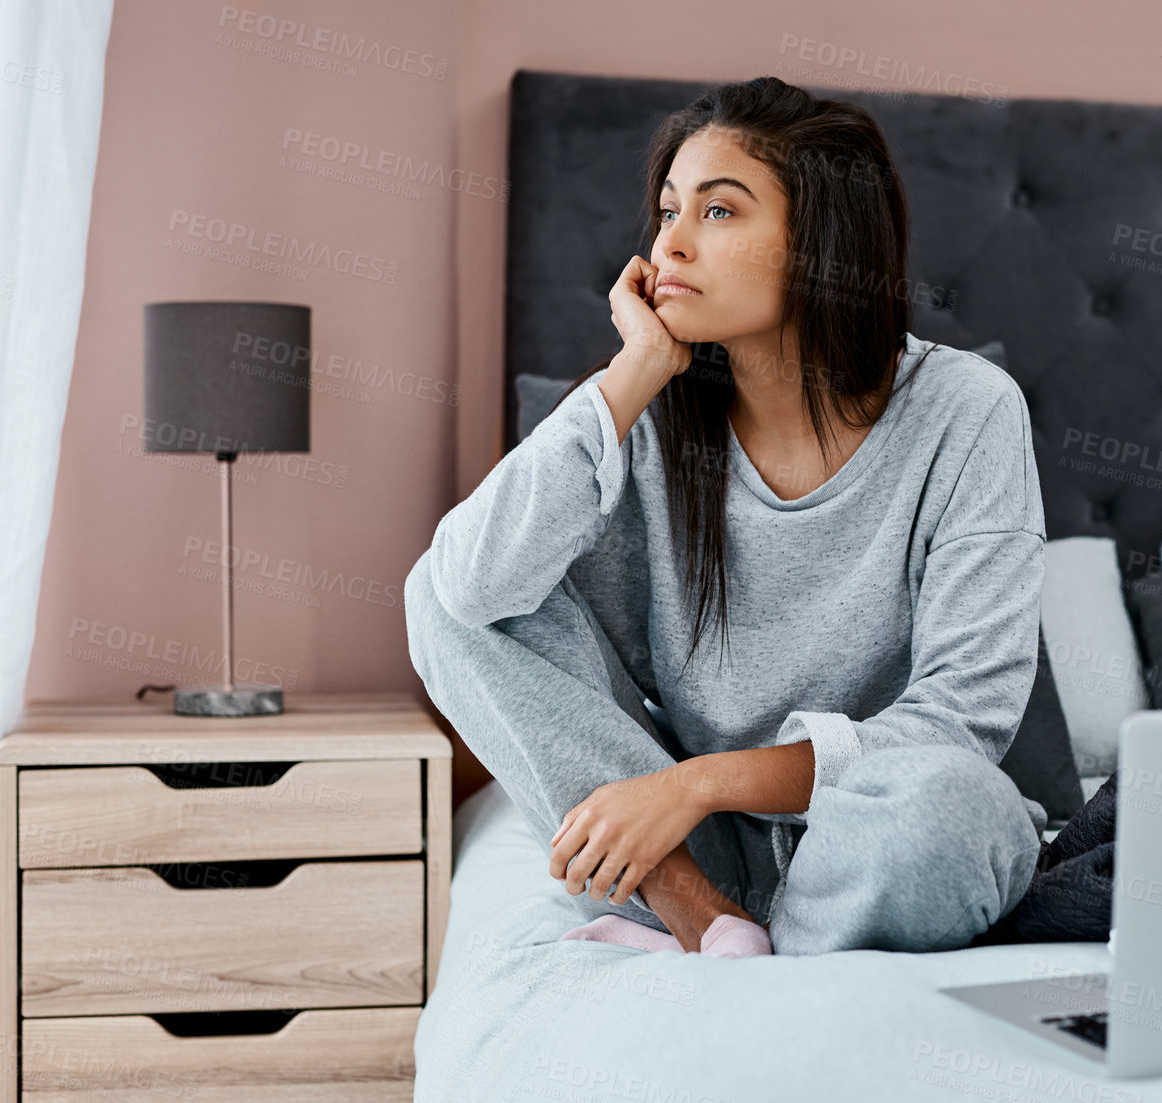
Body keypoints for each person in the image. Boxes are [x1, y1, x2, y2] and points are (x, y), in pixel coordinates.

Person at [405, 76, 1047, 958]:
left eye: (717, 213)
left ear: (821, 241)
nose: (669, 246)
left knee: (958, 805)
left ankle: (771, 947)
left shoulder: (969, 412)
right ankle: (708, 925)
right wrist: (631, 375)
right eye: (667, 212)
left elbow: (962, 721)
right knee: (439, 586)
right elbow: (473, 591)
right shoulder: (645, 419)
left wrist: (699, 783)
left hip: (878, 837)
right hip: (694, 861)